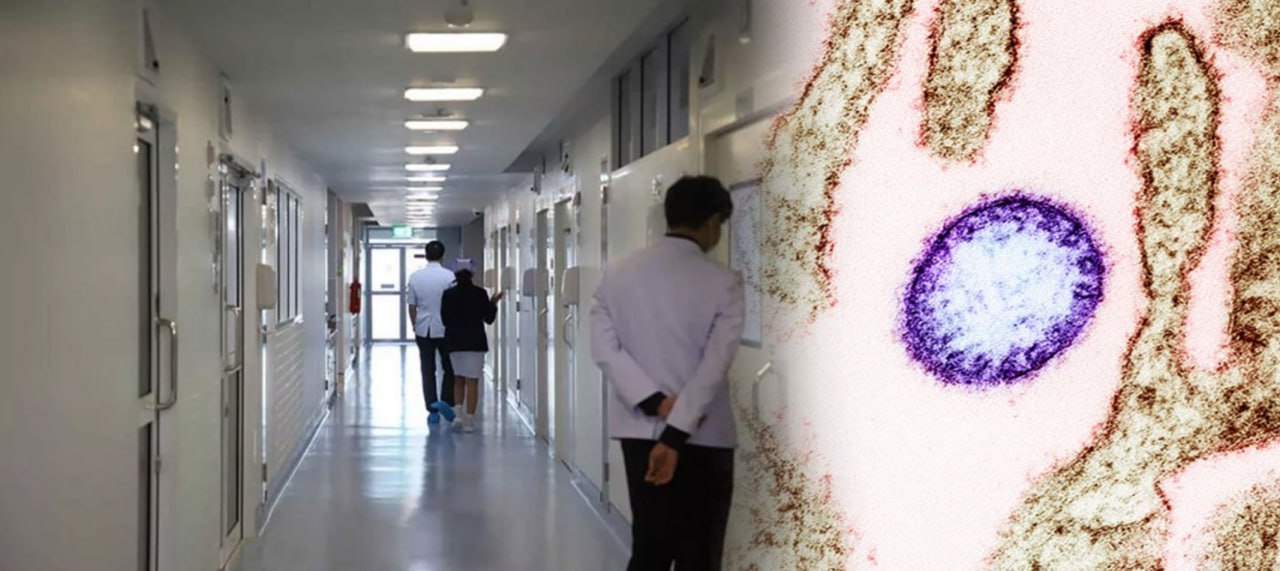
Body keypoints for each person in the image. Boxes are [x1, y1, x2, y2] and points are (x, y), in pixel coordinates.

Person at [590, 175, 745, 570]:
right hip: (704, 435)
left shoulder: (617, 274)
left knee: (651, 549)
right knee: (700, 555)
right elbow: (714, 366)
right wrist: (677, 430)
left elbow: (605, 351)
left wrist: (656, 404)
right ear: (712, 221)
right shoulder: (724, 282)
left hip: (640, 432)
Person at [441, 269, 504, 432]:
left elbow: (444, 319)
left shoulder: (448, 294)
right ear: (471, 278)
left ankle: (458, 416)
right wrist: (493, 303)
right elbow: (488, 319)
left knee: (458, 379)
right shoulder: (480, 293)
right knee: (472, 381)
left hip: (454, 342)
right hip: (475, 342)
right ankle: (469, 420)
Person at [406, 240, 457, 425]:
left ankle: (432, 407)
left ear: (426, 255)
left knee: (427, 369)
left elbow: (412, 306)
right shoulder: (449, 276)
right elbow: (453, 303)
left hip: (423, 329)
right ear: (442, 256)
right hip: (445, 328)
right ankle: (446, 401)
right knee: (449, 367)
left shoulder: (415, 277)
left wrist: (415, 325)